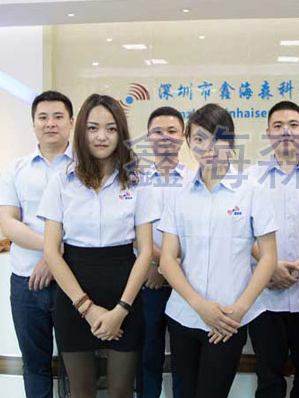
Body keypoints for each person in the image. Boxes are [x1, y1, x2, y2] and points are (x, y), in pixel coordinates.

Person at [38, 94, 158, 398]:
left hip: (125, 294)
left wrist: (121, 310)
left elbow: (145, 251)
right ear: (81, 131)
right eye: (93, 128)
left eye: (111, 128)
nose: (102, 136)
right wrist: (87, 308)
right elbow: (51, 251)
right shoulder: (62, 181)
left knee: (120, 390)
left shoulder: (138, 180)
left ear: (121, 133)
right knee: (81, 391)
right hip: (74, 296)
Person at [158, 103, 278, 398]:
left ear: (231, 142)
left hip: (228, 319)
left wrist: (239, 310)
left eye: (217, 138)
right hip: (184, 314)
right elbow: (168, 259)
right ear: (189, 143)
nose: (208, 147)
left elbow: (268, 257)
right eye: (199, 139)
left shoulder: (252, 191)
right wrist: (199, 305)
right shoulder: (179, 195)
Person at [246, 101, 299, 398]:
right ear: (268, 133)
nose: (286, 131)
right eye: (278, 126)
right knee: (268, 377)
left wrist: (298, 268)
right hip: (264, 296)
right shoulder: (250, 178)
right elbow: (242, 232)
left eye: (293, 125)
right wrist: (270, 266)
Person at [0, 90, 74, 398]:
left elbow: (89, 224)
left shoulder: (86, 167)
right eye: (43, 117)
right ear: (33, 124)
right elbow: (9, 222)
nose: (50, 123)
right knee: (34, 364)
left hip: (74, 281)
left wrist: (53, 260)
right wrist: (50, 250)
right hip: (26, 282)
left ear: (71, 122)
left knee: (79, 366)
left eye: (58, 117)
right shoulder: (17, 169)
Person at [139, 106, 189, 398]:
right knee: (148, 355)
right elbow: (133, 230)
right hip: (149, 280)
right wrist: (159, 264)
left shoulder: (195, 179)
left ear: (183, 136)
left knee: (184, 359)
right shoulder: (136, 180)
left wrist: (172, 268)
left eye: (172, 131)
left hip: (187, 281)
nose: (165, 137)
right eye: (158, 131)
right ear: (148, 137)